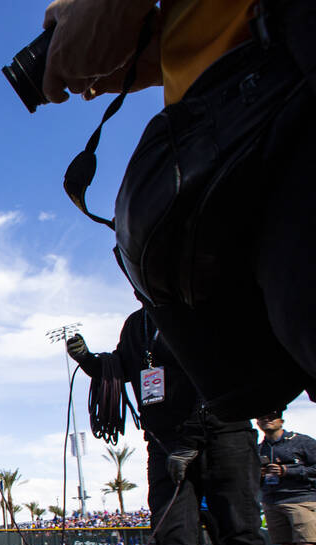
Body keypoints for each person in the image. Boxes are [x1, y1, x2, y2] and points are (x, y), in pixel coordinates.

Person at [40, 0, 316, 419]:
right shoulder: (135, 334)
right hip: (248, 130)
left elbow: (98, 23)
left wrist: (90, 13)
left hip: (280, 98)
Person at [67, 308, 284, 545]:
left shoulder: (199, 309)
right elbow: (123, 367)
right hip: (165, 440)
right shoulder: (138, 324)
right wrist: (88, 360)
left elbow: (216, 370)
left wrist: (195, 436)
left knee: (239, 532)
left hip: (222, 435)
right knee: (173, 534)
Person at [256, 410, 316, 545]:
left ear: (281, 420)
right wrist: (260, 474)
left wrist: (287, 470)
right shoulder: (259, 449)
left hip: (301, 498)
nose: (267, 419)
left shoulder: (301, 442)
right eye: (263, 416)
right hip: (272, 500)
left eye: (272, 415)